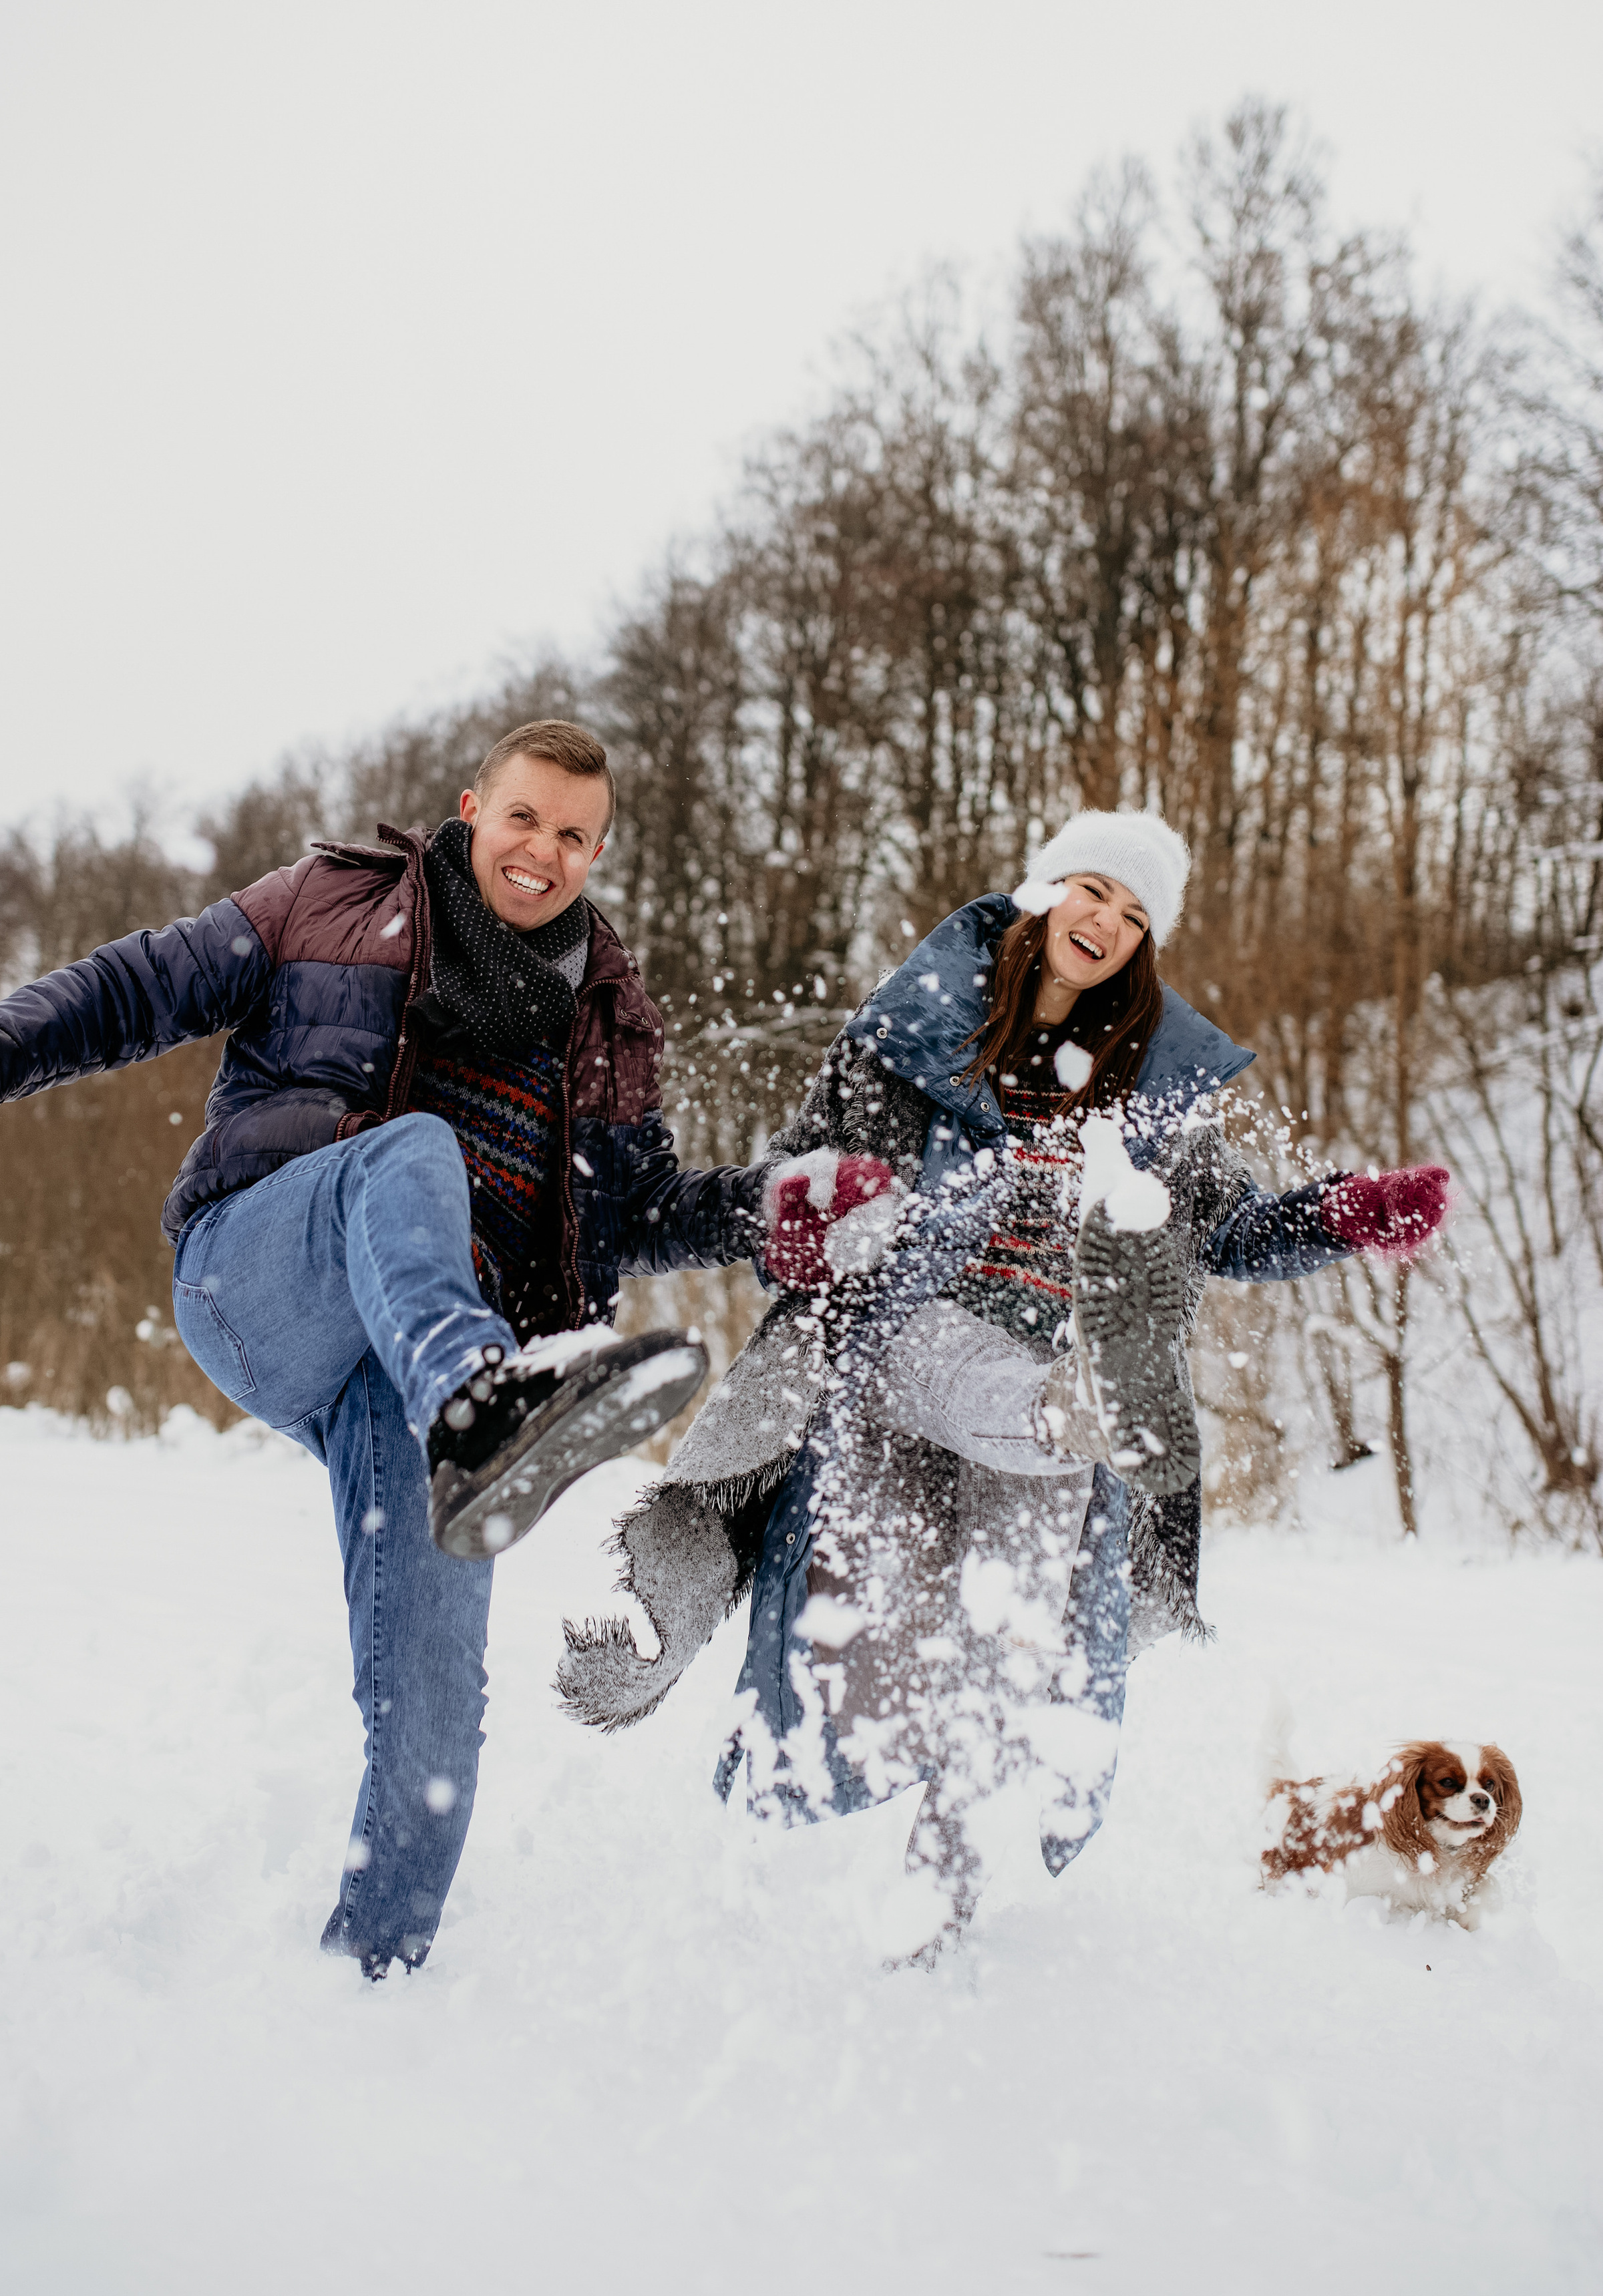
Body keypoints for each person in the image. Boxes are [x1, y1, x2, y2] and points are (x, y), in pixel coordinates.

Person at [0, 719, 773, 1977]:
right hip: (264, 1268)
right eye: (525, 818)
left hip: (419, 1383)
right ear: (474, 810)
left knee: (433, 1728)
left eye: (576, 835)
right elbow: (137, 985)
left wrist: (772, 1209)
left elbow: (633, 1213)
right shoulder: (328, 904)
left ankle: (365, 1991)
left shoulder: (607, 1016)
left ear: (599, 851)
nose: (544, 852)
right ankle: (479, 1398)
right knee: (414, 1154)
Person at [558, 807, 1450, 1945]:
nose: (1108, 924)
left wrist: (1341, 1213)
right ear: (1045, 893)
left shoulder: (1142, 1085)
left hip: (1050, 1376)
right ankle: (1067, 1408)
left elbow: (1226, 1231)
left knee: (1008, 1651)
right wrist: (803, 1216)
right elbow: (802, 1172)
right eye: (1095, 892)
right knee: (857, 1655)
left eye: (1134, 917)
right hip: (902, 1345)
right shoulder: (913, 1030)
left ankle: (940, 1914)